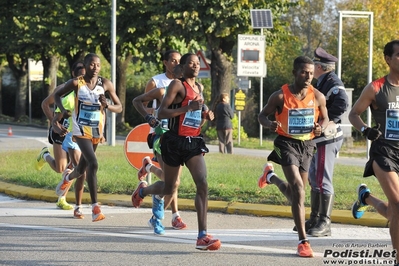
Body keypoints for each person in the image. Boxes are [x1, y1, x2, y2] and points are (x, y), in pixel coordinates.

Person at [132, 53, 220, 250]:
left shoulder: (199, 88)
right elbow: (162, 112)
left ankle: (202, 236)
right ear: (182, 66)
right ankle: (143, 190)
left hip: (193, 142)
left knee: (203, 183)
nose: (196, 66)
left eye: (198, 64)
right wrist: (188, 108)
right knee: (170, 187)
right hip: (172, 141)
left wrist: (205, 114)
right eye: (191, 63)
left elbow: (196, 116)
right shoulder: (175, 86)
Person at [257, 56, 329, 257]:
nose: (308, 77)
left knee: (297, 193)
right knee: (298, 189)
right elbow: (262, 116)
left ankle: (270, 177)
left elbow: (325, 119)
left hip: (307, 145)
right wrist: (269, 124)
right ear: (295, 72)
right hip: (285, 143)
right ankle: (303, 241)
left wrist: (319, 128)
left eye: (311, 73)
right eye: (304, 72)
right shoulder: (280, 96)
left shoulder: (318, 96)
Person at [53, 53, 122, 222]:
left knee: (81, 169)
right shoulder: (77, 83)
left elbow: (119, 107)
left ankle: (67, 178)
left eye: (98, 65)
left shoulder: (105, 84)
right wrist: (62, 110)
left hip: (96, 131)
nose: (95, 67)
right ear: (85, 65)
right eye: (92, 64)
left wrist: (108, 106)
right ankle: (95, 208)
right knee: (93, 163)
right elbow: (57, 95)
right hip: (80, 130)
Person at [349, 40, 399, 265]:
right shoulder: (376, 88)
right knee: (398, 204)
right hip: (384, 153)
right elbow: (354, 114)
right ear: (388, 59)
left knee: (394, 212)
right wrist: (365, 130)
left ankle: (366, 198)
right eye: (398, 55)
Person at [132, 64, 188, 235]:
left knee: (170, 183)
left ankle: (145, 183)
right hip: (161, 137)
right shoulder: (162, 92)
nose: (181, 82)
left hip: (180, 140)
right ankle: (157, 217)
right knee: (173, 183)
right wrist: (150, 116)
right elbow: (136, 101)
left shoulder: (191, 94)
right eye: (178, 78)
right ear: (172, 77)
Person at [302, 47, 349, 237]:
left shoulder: (333, 83)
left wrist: (328, 121)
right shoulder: (323, 82)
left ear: (320, 67)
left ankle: (324, 221)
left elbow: (342, 104)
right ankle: (315, 217)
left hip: (328, 138)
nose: (311, 70)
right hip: (319, 138)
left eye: (313, 66)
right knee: (315, 176)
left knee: (322, 178)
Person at [35, 61, 86, 211]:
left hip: (74, 133)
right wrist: (54, 124)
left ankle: (61, 198)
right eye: (80, 74)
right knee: (60, 167)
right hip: (59, 132)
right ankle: (45, 155)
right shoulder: (62, 89)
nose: (82, 77)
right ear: (73, 74)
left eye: (85, 74)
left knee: (74, 166)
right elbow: (45, 104)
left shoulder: (87, 90)